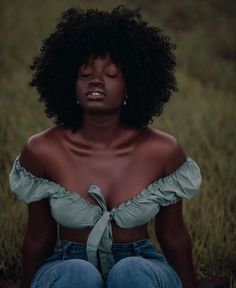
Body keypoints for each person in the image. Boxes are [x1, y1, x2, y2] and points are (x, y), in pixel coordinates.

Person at [5, 5, 228, 288]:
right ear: (69, 84)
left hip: (142, 264)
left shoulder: (162, 150)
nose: (96, 80)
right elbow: (38, 237)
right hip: (66, 264)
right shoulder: (42, 149)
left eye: (111, 74)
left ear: (131, 85)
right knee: (78, 273)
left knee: (130, 271)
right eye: (85, 74)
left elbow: (173, 235)